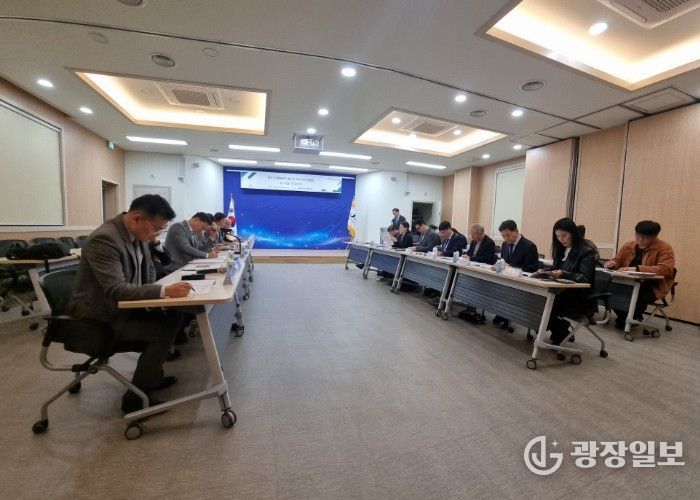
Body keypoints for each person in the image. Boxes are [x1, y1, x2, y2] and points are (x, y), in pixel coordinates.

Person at [64, 195, 192, 414]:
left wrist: (156, 248)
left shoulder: (137, 234)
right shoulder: (105, 239)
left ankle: (151, 378)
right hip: (98, 320)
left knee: (173, 316)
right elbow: (116, 290)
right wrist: (164, 292)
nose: (156, 234)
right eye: (156, 229)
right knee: (162, 329)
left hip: (123, 310)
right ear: (137, 217)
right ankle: (135, 400)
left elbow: (150, 270)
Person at [605, 220, 675, 329]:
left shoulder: (665, 248)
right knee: (608, 291)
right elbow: (617, 260)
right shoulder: (629, 246)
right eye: (637, 236)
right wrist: (612, 263)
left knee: (637, 296)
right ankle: (628, 317)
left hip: (652, 286)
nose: (639, 240)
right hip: (628, 282)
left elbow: (665, 269)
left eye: (644, 238)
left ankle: (630, 318)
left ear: (654, 237)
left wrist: (637, 268)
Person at [542, 218, 596, 345]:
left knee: (545, 303)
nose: (561, 239)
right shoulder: (561, 249)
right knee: (537, 299)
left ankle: (561, 332)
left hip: (577, 297)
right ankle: (560, 331)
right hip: (561, 292)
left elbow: (585, 278)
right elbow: (556, 268)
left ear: (573, 233)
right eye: (557, 236)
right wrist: (545, 271)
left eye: (564, 235)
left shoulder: (586, 252)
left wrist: (563, 274)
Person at [493, 220, 539, 329]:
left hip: (522, 282)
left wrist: (511, 267)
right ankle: (501, 313)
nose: (506, 238)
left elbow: (531, 268)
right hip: (507, 280)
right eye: (503, 236)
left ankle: (507, 316)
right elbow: (504, 261)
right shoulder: (504, 245)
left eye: (508, 235)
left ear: (516, 231)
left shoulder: (529, 246)